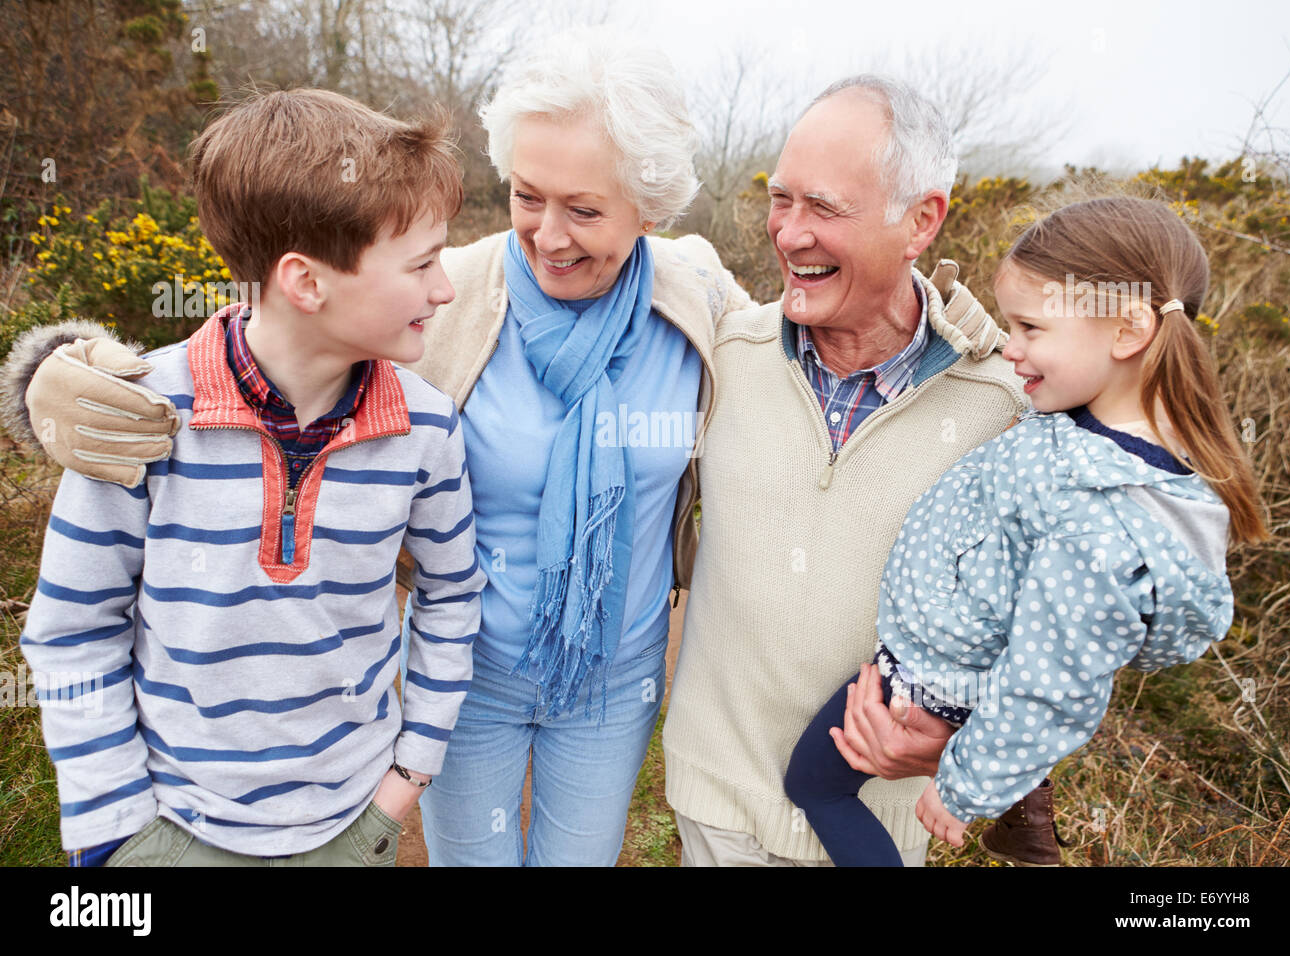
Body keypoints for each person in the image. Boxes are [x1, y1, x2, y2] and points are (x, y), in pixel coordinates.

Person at [4, 30, 754, 866]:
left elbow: (802, 361)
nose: (547, 236)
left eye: (584, 209)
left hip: (615, 671)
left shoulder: (698, 300)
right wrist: (59, 371)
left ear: (648, 209)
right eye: (526, 196)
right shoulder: (446, 291)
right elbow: (278, 327)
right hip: (474, 675)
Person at [17, 88, 485, 866]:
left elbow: (452, 594)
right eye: (424, 263)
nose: (445, 288)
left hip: (351, 826)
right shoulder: (135, 417)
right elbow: (73, 630)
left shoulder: (427, 428)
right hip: (168, 832)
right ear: (306, 283)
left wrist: (407, 777)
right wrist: (113, 830)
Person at [784, 196, 1269, 866]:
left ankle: (1017, 807)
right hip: (942, 658)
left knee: (814, 786)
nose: (1012, 348)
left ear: (1128, 332)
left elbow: (1053, 675)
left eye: (1031, 328)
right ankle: (1026, 811)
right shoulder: (1093, 423)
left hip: (931, 681)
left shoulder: (1104, 518)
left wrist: (965, 784)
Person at [661, 75, 1031, 867]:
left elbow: (1052, 626)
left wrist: (955, 738)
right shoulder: (723, 354)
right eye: (780, 199)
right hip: (716, 808)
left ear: (920, 221)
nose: (790, 234)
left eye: (824, 208)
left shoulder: (1003, 408)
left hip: (870, 831)